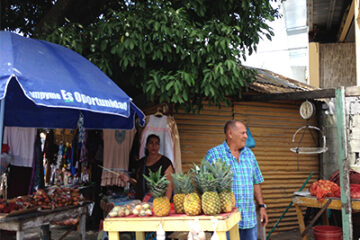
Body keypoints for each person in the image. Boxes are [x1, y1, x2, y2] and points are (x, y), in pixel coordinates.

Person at [204, 120, 268, 240]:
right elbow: (205, 187)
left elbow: (256, 182)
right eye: (243, 133)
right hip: (225, 220)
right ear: (230, 134)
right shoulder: (214, 155)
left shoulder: (249, 155)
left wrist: (261, 206)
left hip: (249, 218)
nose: (246, 136)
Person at [135, 134, 174, 201]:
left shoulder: (165, 162)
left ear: (159, 146)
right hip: (142, 202)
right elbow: (138, 182)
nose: (154, 146)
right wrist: (128, 179)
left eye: (156, 143)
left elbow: (169, 185)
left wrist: (166, 202)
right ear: (147, 145)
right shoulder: (141, 162)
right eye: (151, 143)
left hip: (160, 202)